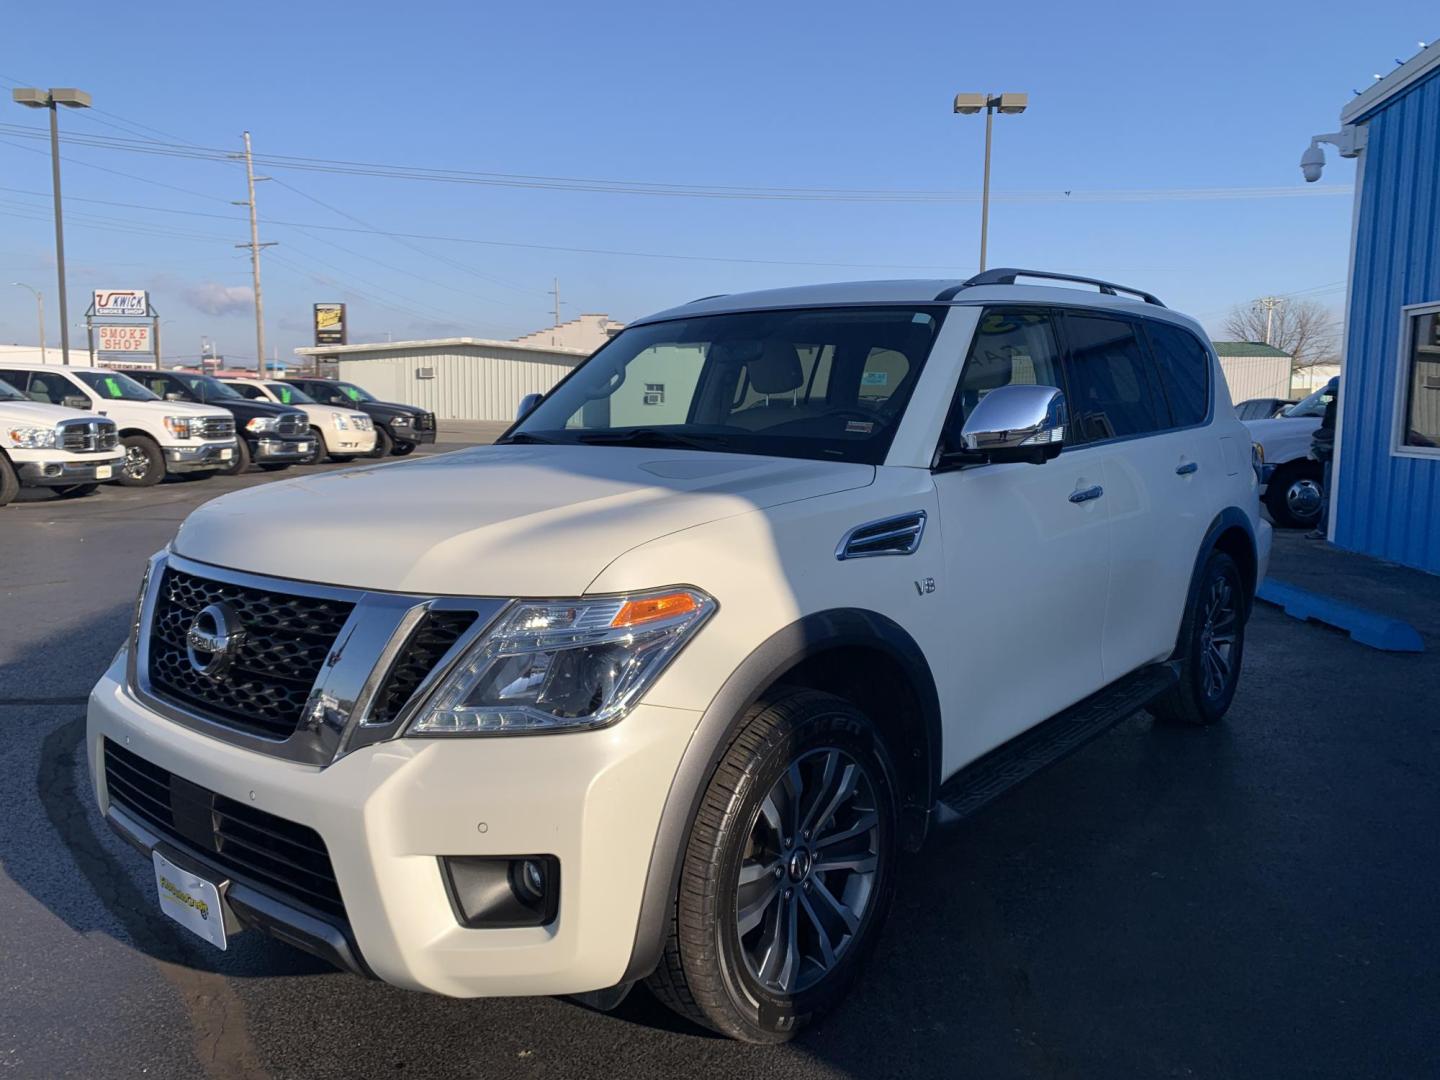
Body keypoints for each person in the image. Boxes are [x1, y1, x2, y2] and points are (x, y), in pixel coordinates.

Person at [1307, 378, 1338, 540]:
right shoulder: (1331, 402)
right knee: (1328, 493)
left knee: (1329, 494)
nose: (1331, 397)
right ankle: (1324, 527)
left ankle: (1324, 528)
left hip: (1334, 454)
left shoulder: (1336, 406)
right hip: (1330, 453)